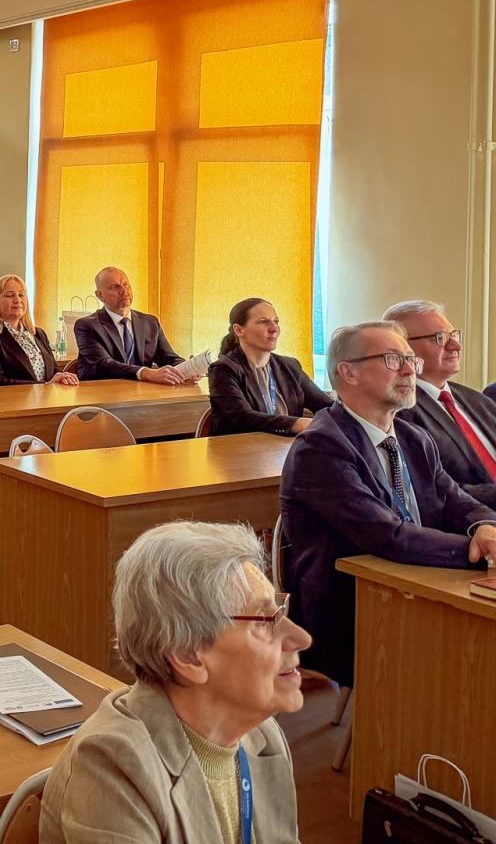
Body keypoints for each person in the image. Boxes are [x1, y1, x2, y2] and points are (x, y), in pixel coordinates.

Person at [40, 521, 306, 844]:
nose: (298, 638)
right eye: (267, 622)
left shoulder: (263, 738)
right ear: (188, 656)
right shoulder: (113, 769)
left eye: (280, 611)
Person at [280, 321, 496, 687]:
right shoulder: (322, 447)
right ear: (348, 371)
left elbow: (456, 501)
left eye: (410, 359)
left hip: (419, 583)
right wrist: (480, 554)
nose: (411, 370)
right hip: (354, 607)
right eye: (393, 360)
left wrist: (484, 528)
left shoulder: (413, 437)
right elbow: (387, 535)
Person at [386, 300, 496, 507]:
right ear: (403, 347)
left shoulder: (479, 401)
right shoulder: (398, 410)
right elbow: (434, 488)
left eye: (454, 336)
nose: (456, 345)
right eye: (440, 338)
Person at [206, 298, 330, 435]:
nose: (274, 328)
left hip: (285, 451)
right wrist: (296, 424)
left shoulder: (290, 366)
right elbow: (241, 417)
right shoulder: (223, 369)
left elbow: (325, 405)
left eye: (276, 321)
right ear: (239, 330)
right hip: (242, 452)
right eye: (263, 322)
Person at [72, 268, 186, 384]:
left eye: (126, 284)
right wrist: (146, 372)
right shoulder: (87, 326)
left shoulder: (150, 322)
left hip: (142, 395)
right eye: (115, 287)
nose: (123, 291)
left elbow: (168, 358)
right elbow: (104, 365)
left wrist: (188, 370)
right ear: (100, 295)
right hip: (102, 394)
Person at [0, 274, 79, 388]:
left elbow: (53, 371)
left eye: (21, 295)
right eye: (9, 295)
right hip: (8, 403)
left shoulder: (38, 333)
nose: (17, 300)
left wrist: (63, 377)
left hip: (45, 400)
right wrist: (45, 385)